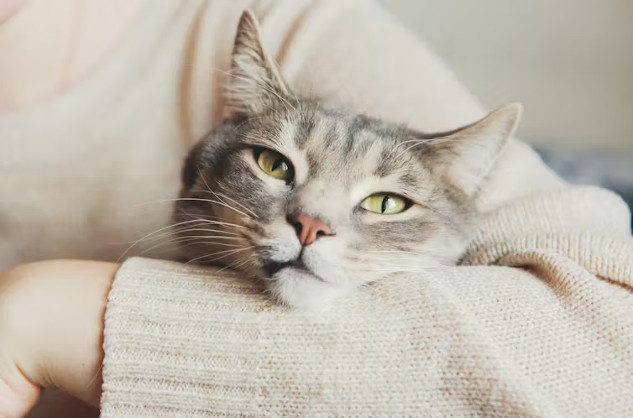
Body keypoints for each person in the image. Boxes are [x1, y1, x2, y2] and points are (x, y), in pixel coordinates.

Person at [1, 0, 632, 416]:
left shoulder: (282, 23)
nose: (314, 223)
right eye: (277, 165)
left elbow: (612, 334)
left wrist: (64, 314)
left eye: (384, 202)